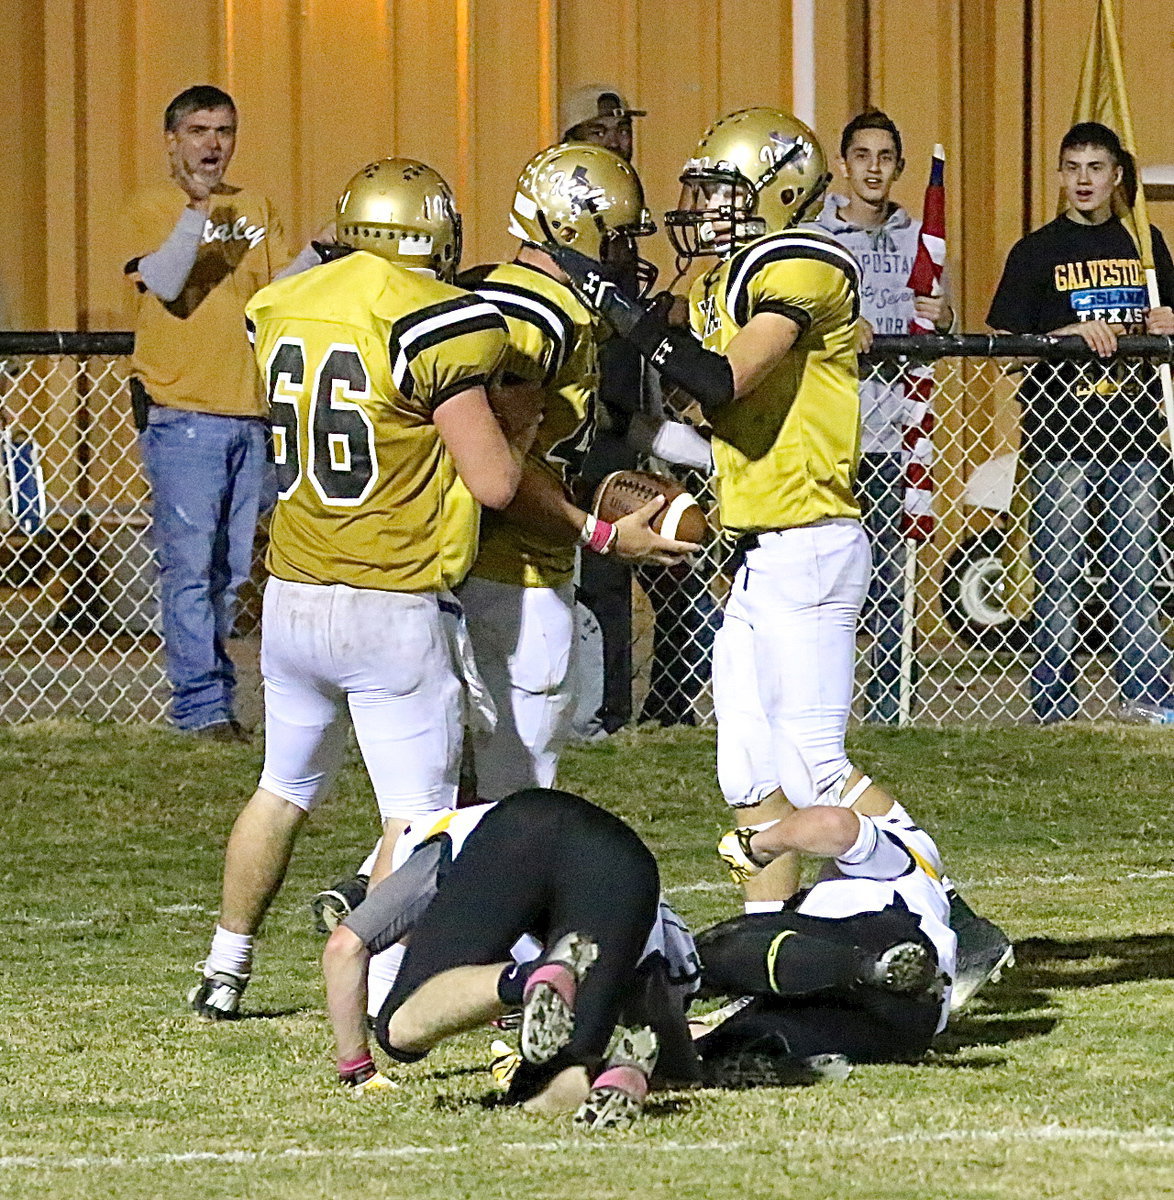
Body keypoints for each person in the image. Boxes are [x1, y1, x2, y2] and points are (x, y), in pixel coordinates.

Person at [550, 106, 1012, 1007]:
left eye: (724, 191)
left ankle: (955, 919)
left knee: (814, 764)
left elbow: (721, 380)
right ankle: (767, 953)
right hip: (760, 552)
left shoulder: (800, 262)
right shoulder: (732, 281)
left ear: (780, 191)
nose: (706, 208)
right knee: (748, 773)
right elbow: (722, 426)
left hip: (810, 545)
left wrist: (628, 315)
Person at [308, 143, 699, 935]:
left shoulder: (513, 295)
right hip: (506, 576)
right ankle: (468, 952)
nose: (629, 258)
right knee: (518, 800)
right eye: (619, 238)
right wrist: (595, 529)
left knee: (463, 786)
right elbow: (500, 468)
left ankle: (384, 902)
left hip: (473, 574)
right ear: (570, 226)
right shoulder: (535, 317)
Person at [187, 158, 531, 1019]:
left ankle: (224, 967)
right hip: (389, 597)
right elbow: (492, 482)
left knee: (283, 786)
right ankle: (380, 989)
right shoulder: (435, 318)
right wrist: (526, 423)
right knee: (415, 818)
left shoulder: (287, 304)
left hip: (296, 592)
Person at [322, 788, 698, 1128]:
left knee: (398, 1030)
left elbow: (345, 946)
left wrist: (357, 1069)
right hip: (627, 857)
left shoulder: (432, 837)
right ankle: (613, 1073)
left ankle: (528, 979)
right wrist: (675, 1069)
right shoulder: (665, 926)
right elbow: (660, 1015)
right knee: (554, 1073)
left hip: (521, 827)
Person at [988, 121, 1174, 725]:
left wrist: (1165, 322)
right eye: (1074, 168)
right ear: (1061, 175)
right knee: (1059, 572)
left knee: (1137, 570)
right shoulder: (1036, 251)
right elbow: (1005, 347)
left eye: (1097, 168)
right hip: (1059, 434)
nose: (1085, 180)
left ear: (1117, 175)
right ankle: (1054, 705)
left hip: (1136, 433)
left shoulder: (1145, 245)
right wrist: (1064, 336)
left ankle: (1147, 697)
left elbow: (1165, 324)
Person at [123, 86, 290, 739]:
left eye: (223, 129)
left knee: (230, 571)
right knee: (189, 566)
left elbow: (275, 296)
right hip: (186, 413)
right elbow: (164, 282)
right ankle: (200, 708)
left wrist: (323, 250)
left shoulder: (255, 207)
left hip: (251, 412)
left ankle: (217, 702)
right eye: (197, 130)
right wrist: (195, 214)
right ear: (172, 139)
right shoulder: (153, 206)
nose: (212, 144)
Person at [562, 83, 718, 734]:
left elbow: (637, 397)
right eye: (603, 132)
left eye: (624, 130)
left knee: (681, 583)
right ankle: (605, 720)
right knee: (600, 593)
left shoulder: (626, 265)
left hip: (625, 446)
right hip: (575, 454)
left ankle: (665, 714)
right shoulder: (566, 260)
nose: (621, 140)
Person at [803, 110, 955, 724]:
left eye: (885, 157)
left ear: (898, 167)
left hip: (892, 432)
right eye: (861, 155)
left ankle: (890, 701)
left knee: (890, 578)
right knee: (823, 576)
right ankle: (821, 699)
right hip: (829, 431)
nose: (873, 168)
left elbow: (940, 320)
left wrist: (941, 317)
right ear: (843, 164)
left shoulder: (920, 237)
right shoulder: (815, 238)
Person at [696, 803, 954, 1080]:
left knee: (707, 953)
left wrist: (756, 846)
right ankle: (774, 1057)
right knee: (733, 1044)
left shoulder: (903, 854)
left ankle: (869, 966)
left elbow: (835, 825)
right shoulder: (929, 906)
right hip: (908, 1021)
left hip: (877, 940)